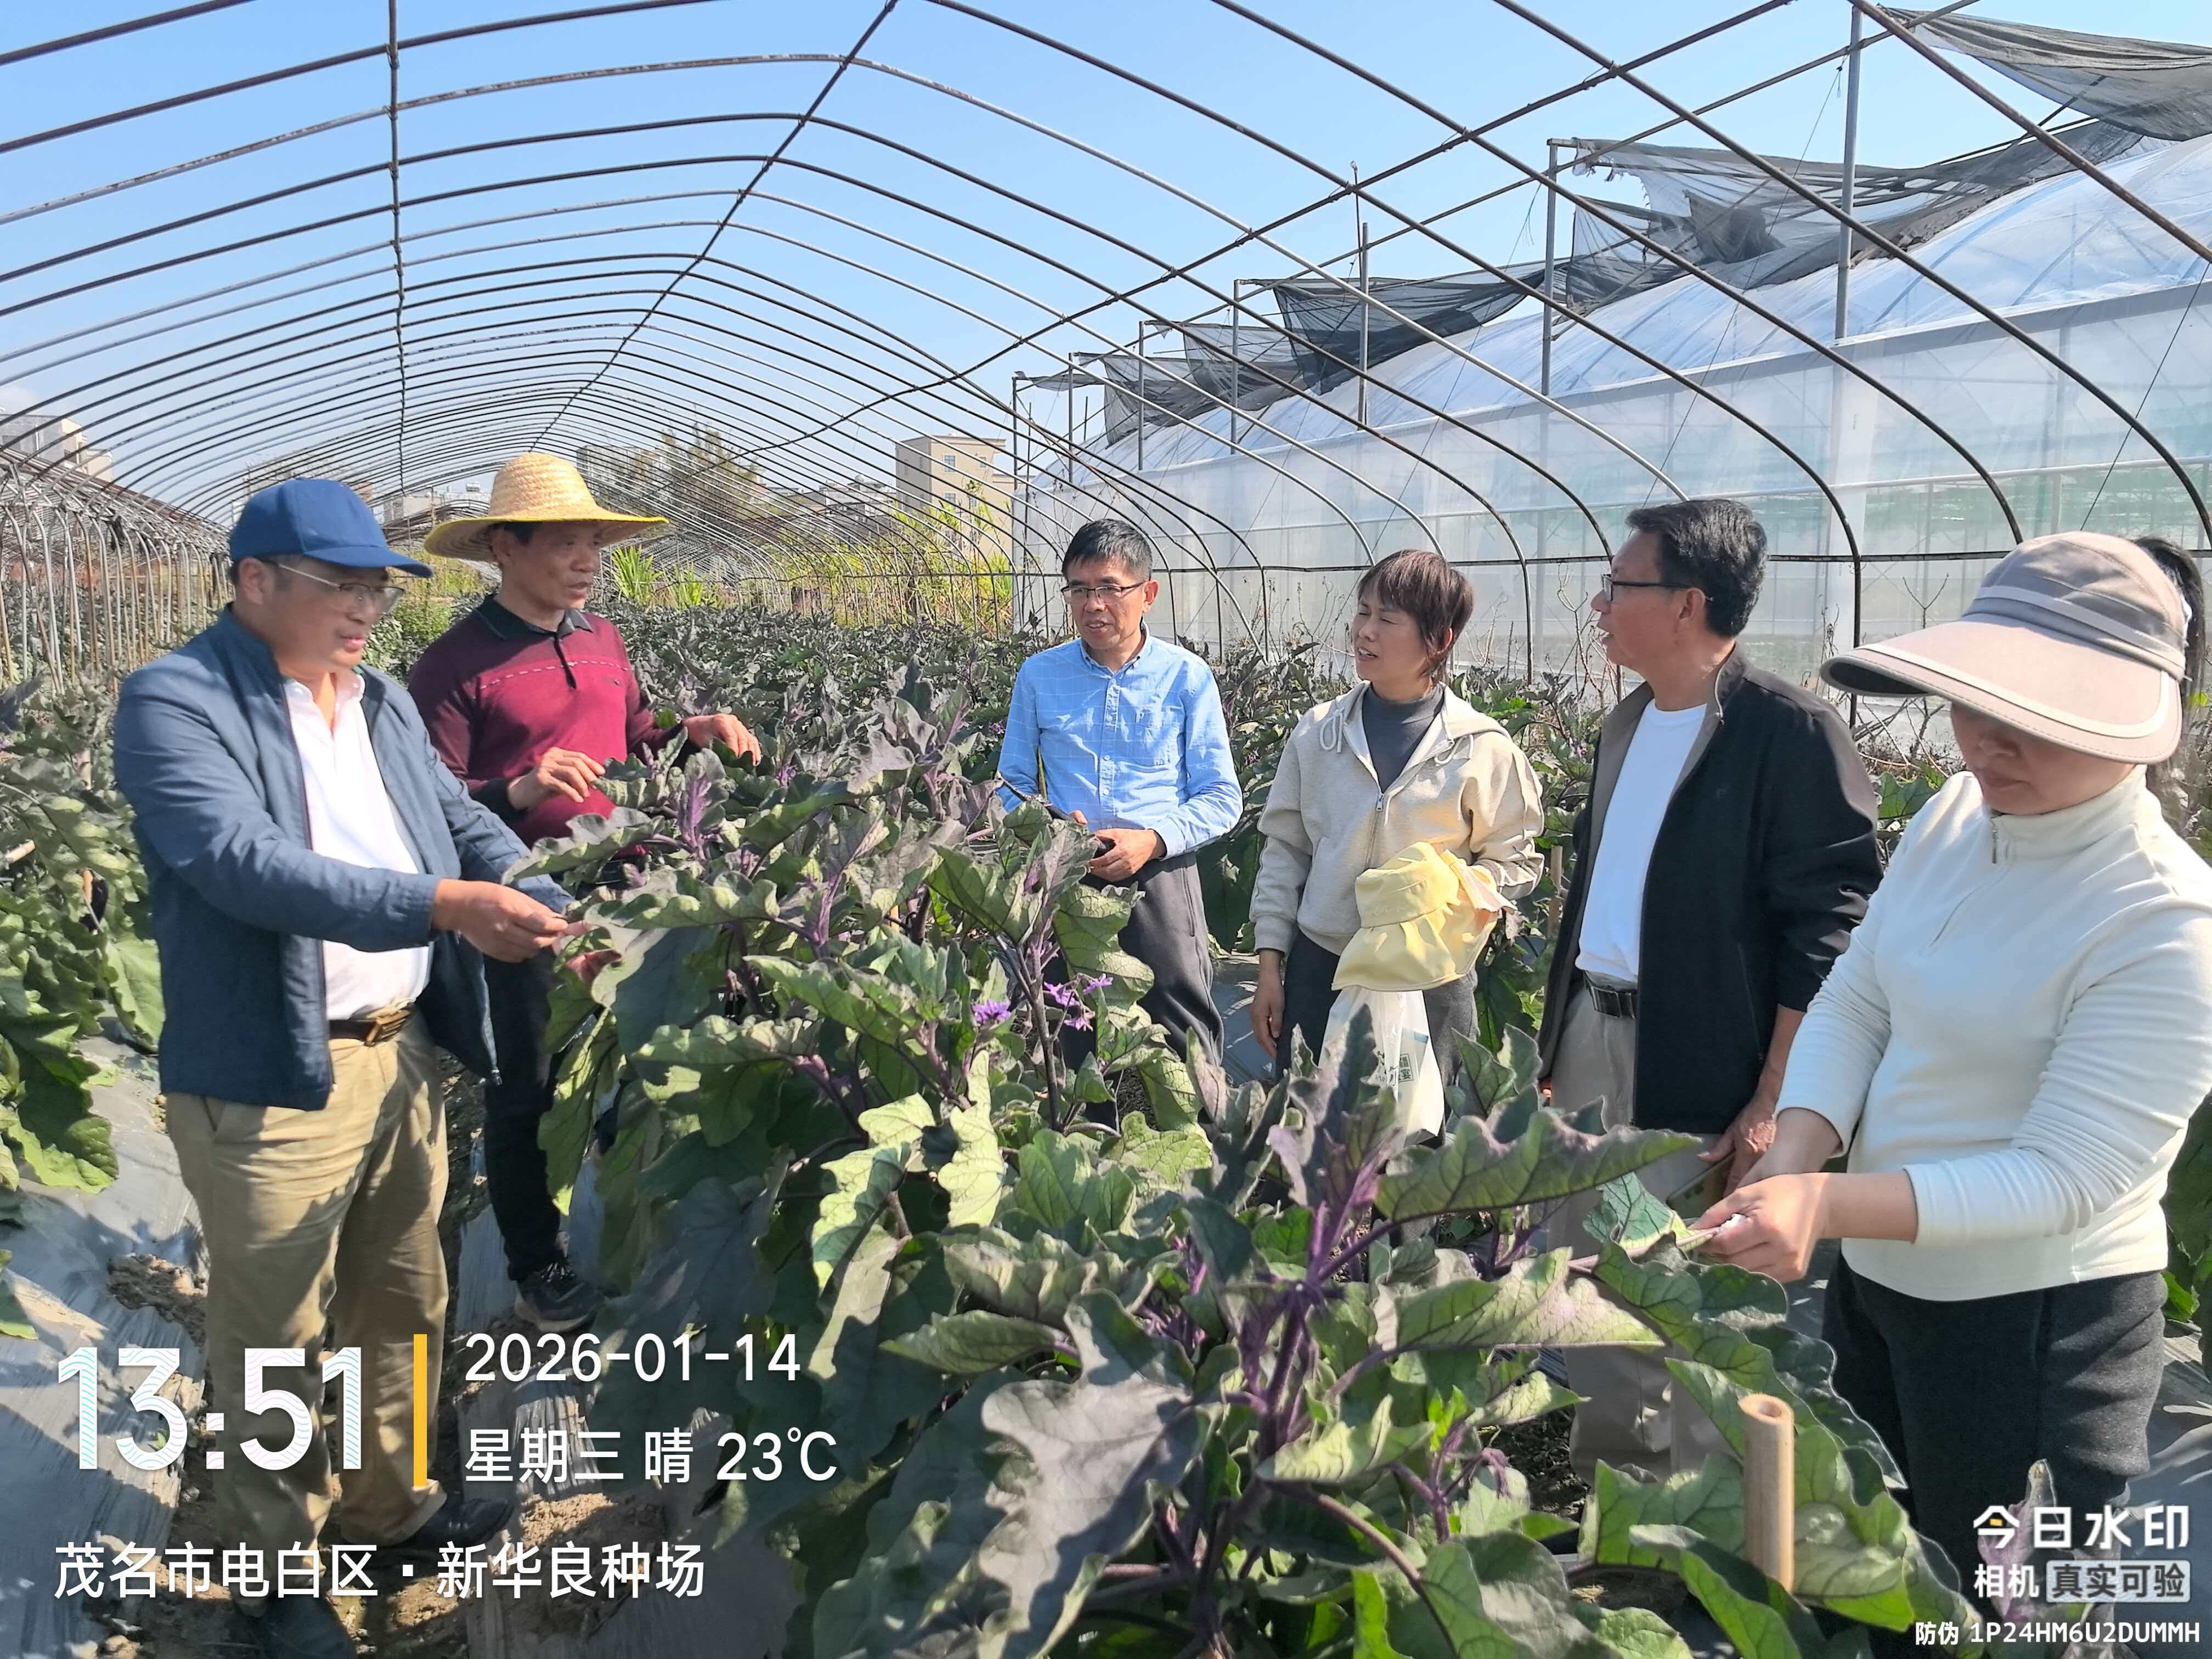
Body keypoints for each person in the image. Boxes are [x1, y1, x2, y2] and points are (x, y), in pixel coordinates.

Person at [1699, 530, 2212, 1609]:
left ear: (2133, 721)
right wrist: (1792, 1153)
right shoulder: (1956, 814)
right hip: (1884, 1288)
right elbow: (1861, 994)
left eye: (2037, 714)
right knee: (1889, 1585)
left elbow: (2063, 1177)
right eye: (1974, 699)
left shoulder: (2163, 920)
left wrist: (1823, 1203)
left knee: (2005, 1612)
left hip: (2036, 1330)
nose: (1985, 738)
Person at [114, 479, 574, 1659]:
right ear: (254, 581)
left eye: (379, 586)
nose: (367, 607)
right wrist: (444, 906)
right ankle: (274, 1578)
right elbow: (243, 862)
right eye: (341, 584)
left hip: (401, 1053)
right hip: (273, 1075)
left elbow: (458, 825)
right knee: (275, 1336)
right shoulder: (178, 701)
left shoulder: (379, 701)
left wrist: (543, 895)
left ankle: (389, 1512)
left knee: (402, 1303)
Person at [1536, 497, 1882, 1491]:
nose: (1599, 605)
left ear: (1686, 603)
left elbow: (1828, 932)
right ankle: (1621, 1511)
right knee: (1593, 1286)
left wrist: (1775, 1094)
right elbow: (1599, 894)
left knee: (1688, 1300)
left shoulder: (1787, 732)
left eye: (1619, 586)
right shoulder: (1629, 721)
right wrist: (1558, 1045)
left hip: (1700, 1065)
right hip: (1594, 1038)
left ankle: (1703, 1521)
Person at [408, 453, 760, 1329]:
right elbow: (424, 798)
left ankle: (632, 1198)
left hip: (627, 878)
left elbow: (635, 738)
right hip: (524, 894)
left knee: (641, 1050)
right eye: (565, 542)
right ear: (504, 548)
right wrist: (517, 789)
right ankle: (536, 1261)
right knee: (527, 1079)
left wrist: (693, 731)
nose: (587, 559)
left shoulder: (601, 640)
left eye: (594, 543)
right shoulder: (455, 665)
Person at [1249, 548, 1544, 1081]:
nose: (1365, 631)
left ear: (1440, 640)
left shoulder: (1482, 749)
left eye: (1387, 619)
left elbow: (1516, 861)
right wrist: (1270, 964)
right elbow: (1285, 849)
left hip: (1429, 980)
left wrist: (1452, 889)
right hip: (1323, 966)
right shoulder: (1319, 733)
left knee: (1419, 1124)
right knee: (1309, 1117)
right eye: (1363, 612)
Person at [996, 518, 1242, 1064]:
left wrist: (1152, 840)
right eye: (1079, 590)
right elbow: (1010, 784)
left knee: (1181, 1023)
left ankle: (1199, 1117)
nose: (1093, 605)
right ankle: (1087, 1118)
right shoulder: (1039, 676)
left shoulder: (1186, 677)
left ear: (1147, 594)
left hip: (1159, 873)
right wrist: (1052, 831)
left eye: (1109, 588)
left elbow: (1221, 796)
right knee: (1071, 1021)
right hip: (1067, 871)